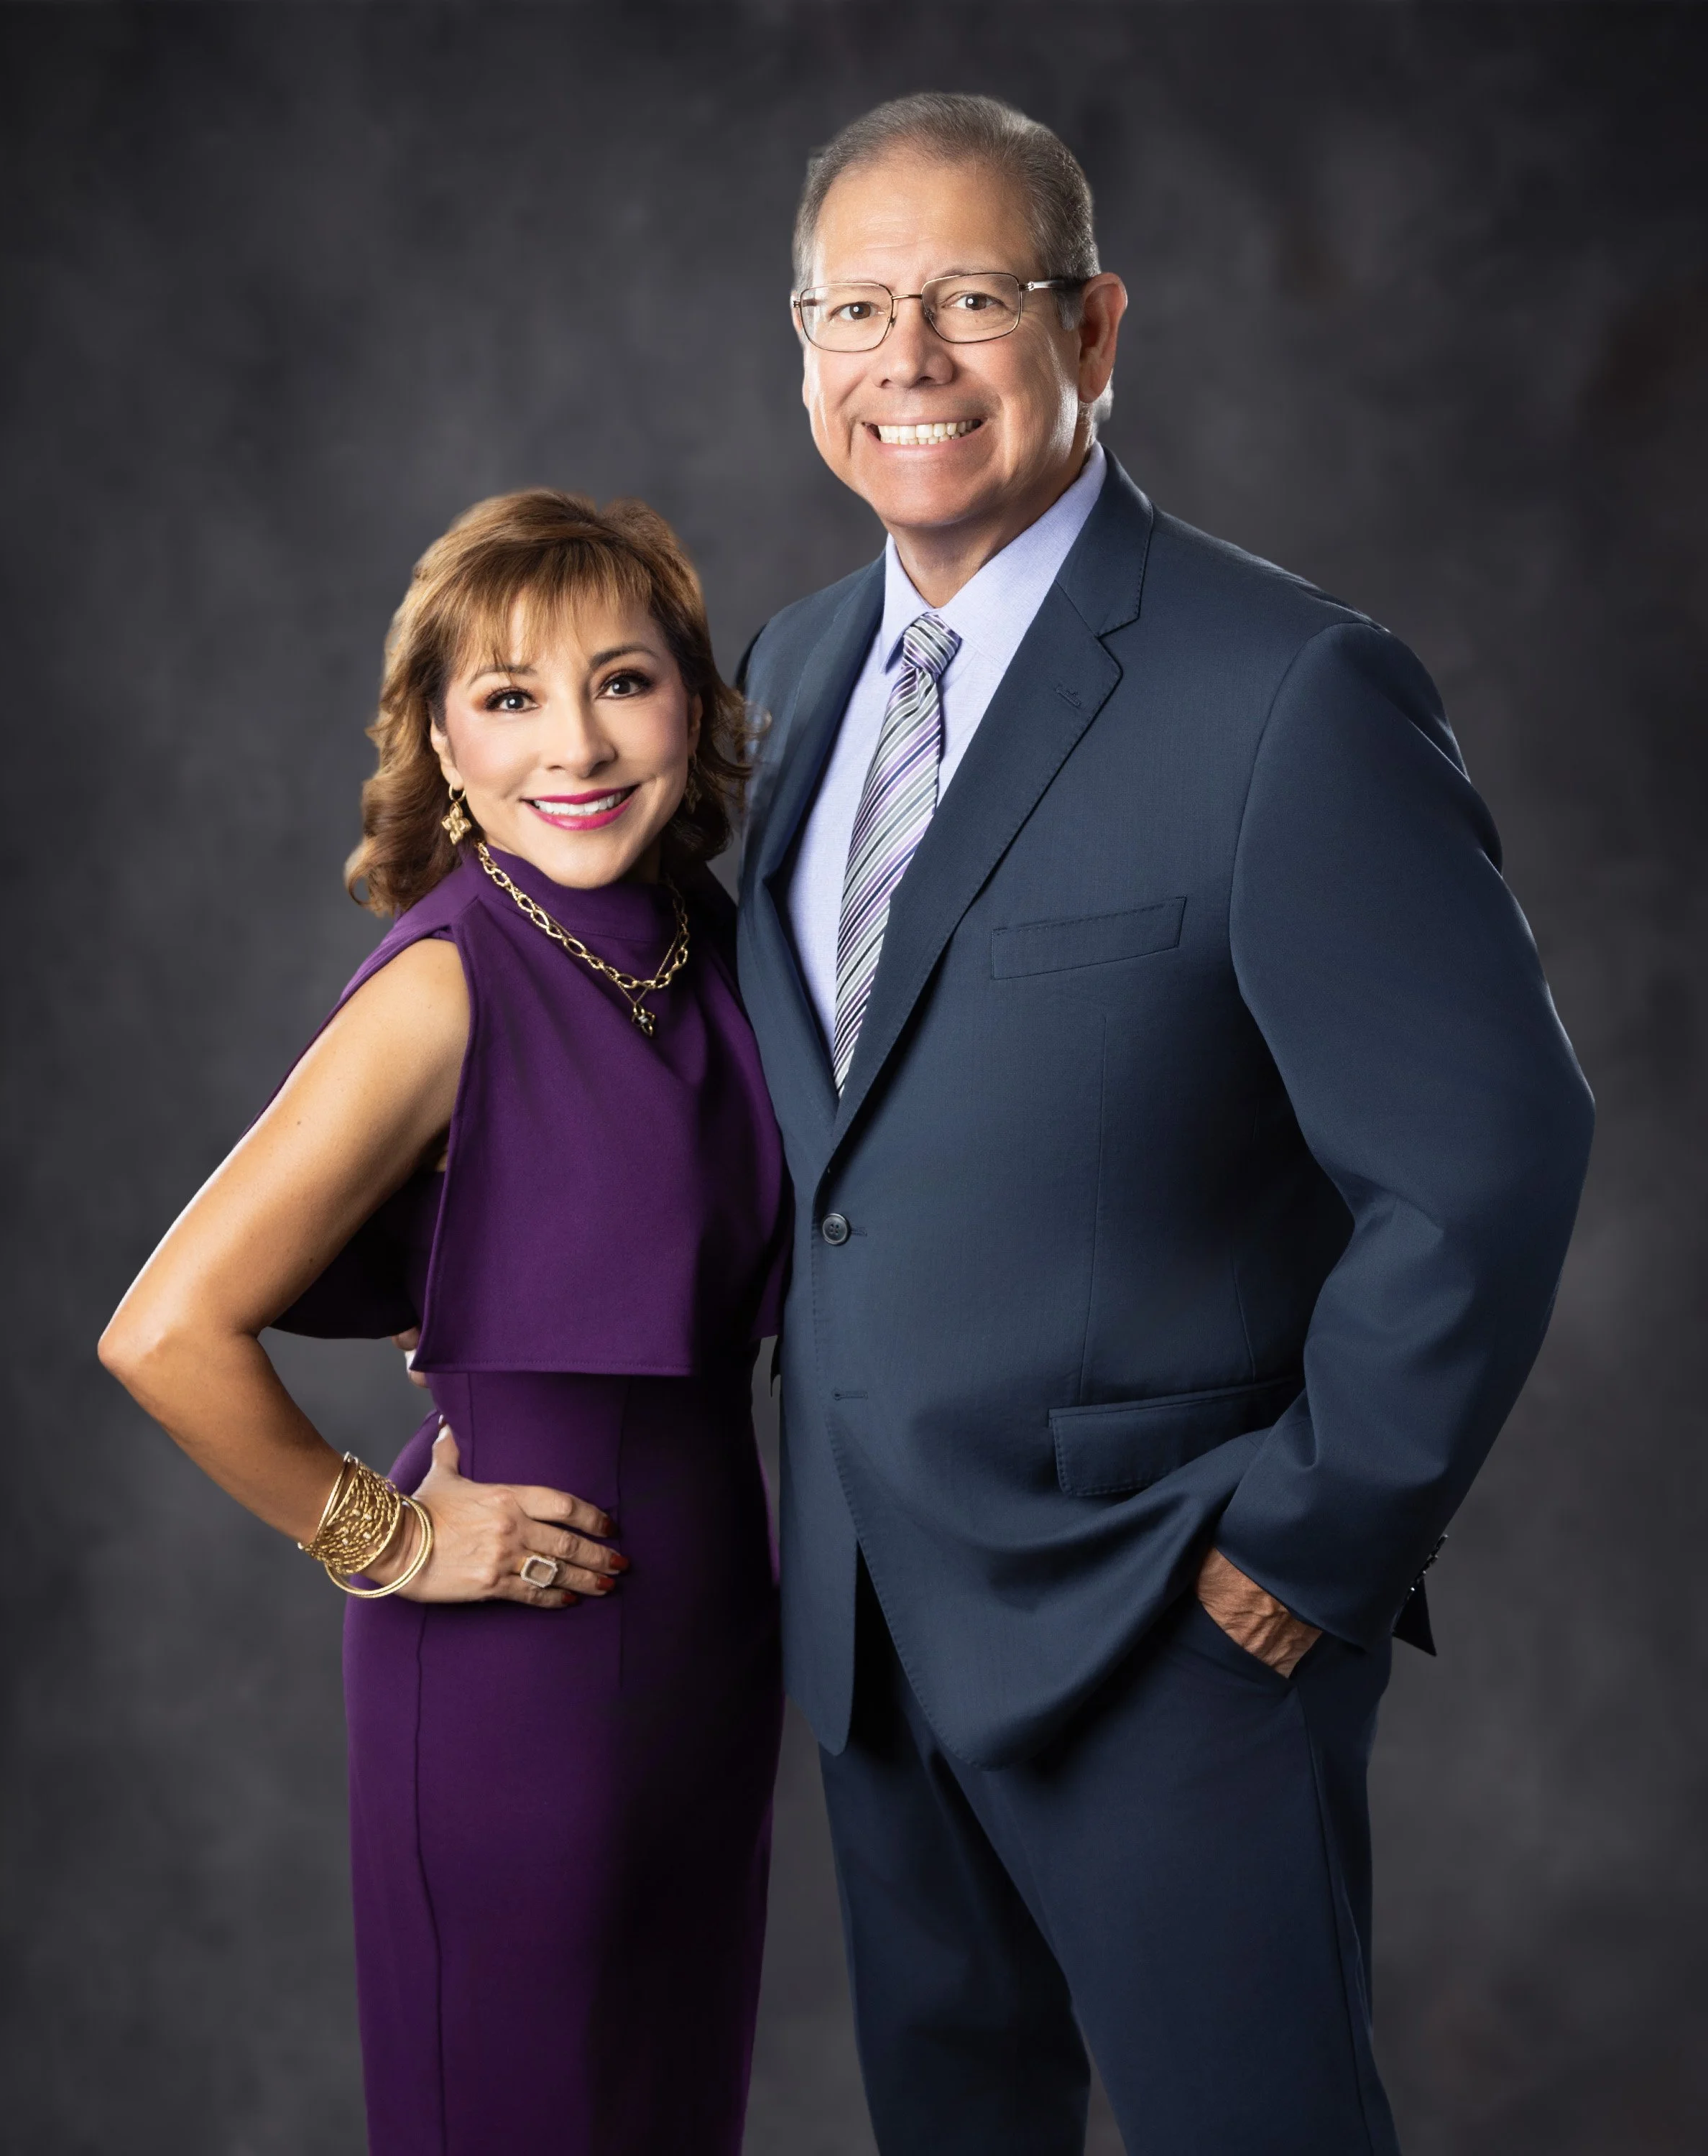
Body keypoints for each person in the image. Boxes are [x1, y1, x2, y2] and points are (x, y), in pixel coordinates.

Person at [734, 93, 1594, 2156]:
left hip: (1166, 1627)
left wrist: (1306, 1547)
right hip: (869, 1629)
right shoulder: (790, 673)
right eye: (857, 309)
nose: (909, 359)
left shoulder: (1288, 689)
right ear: (804, 346)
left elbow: (1488, 1159)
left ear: (1095, 328)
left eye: (972, 298)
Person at [100, 489, 790, 2156]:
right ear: (439, 740)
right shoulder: (447, 980)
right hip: (515, 1669)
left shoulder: (711, 941)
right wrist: (390, 1538)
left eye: (623, 682)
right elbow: (164, 1332)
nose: (578, 744)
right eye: (511, 696)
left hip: (712, 1635)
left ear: (689, 704)